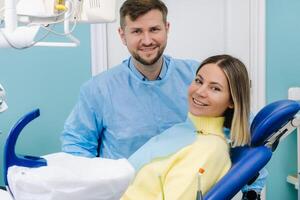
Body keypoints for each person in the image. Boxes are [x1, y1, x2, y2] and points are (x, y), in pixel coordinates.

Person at [61, 0, 265, 198]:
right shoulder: (99, 89)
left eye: (154, 29)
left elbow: (245, 129)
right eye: (137, 31)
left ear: (167, 28)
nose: (147, 40)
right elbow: (77, 147)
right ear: (122, 35)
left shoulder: (198, 77)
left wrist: (253, 189)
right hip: (122, 191)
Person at [121, 54, 250, 199]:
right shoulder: (186, 131)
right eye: (198, 81)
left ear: (232, 101)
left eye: (215, 88)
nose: (200, 92)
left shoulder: (209, 149)